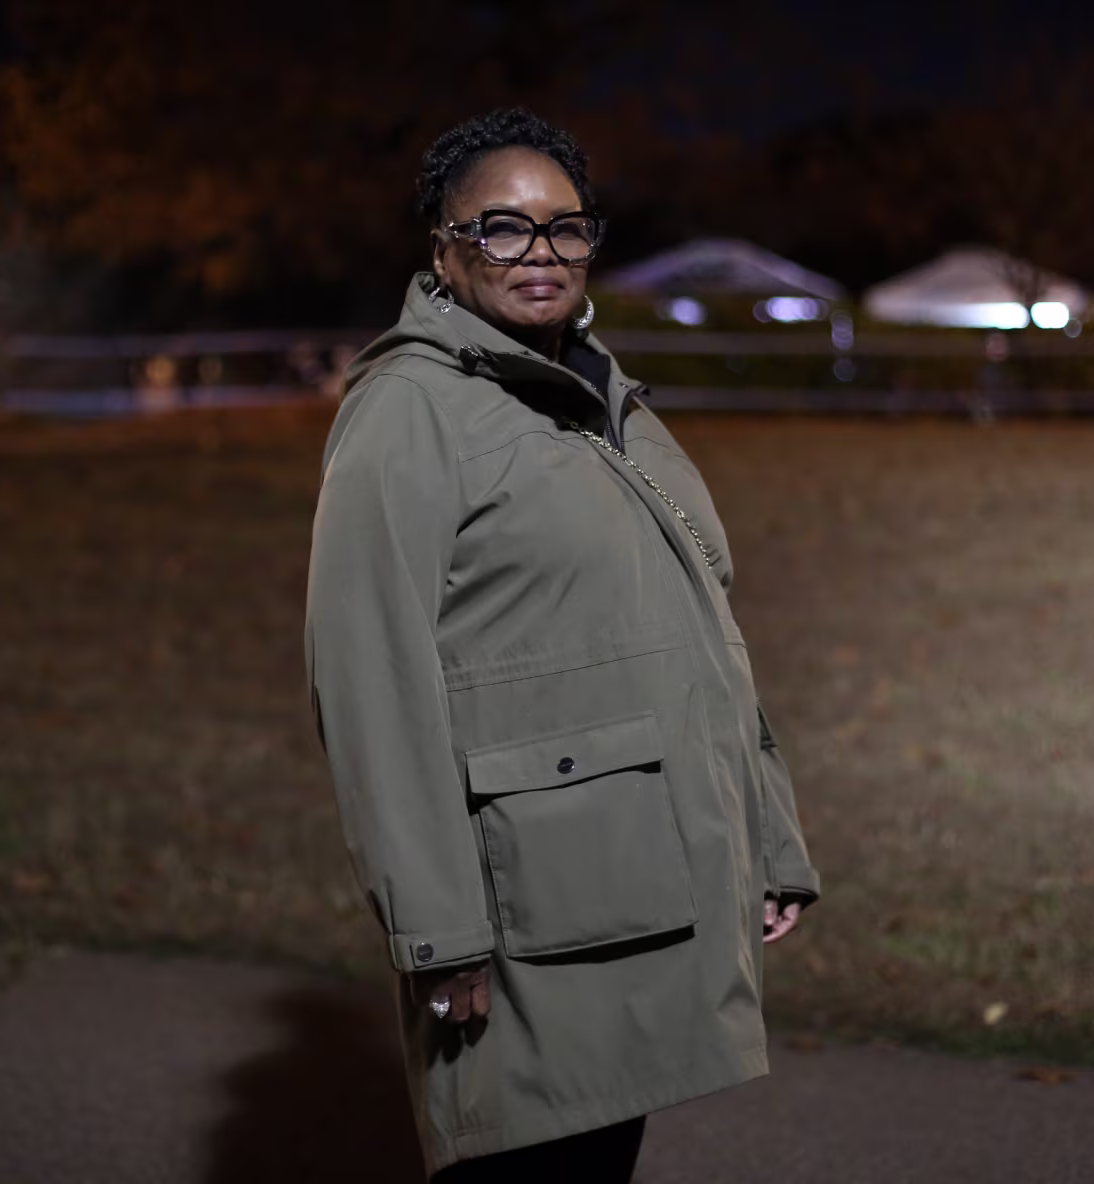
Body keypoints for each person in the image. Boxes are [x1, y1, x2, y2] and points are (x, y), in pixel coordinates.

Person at [304, 108, 820, 1182]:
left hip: (629, 880)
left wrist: (768, 832)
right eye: (500, 229)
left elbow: (696, 628)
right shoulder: (409, 409)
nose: (538, 254)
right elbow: (371, 684)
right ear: (441, 250)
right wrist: (437, 929)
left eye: (564, 228)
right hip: (523, 911)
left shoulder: (592, 390)